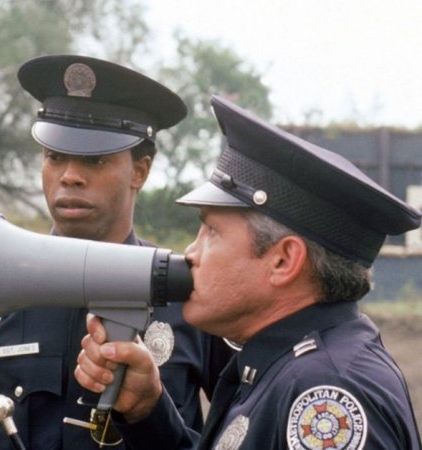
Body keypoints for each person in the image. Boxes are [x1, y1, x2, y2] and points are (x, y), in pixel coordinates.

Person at [0, 55, 234, 449]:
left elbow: (248, 431)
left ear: (140, 171)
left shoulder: (191, 295)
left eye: (94, 160)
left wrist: (153, 415)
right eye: (54, 156)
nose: (69, 176)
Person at [76, 95, 422, 449]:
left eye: (212, 231)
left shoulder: (323, 397)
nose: (191, 252)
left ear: (284, 261)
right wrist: (147, 412)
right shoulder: (286, 365)